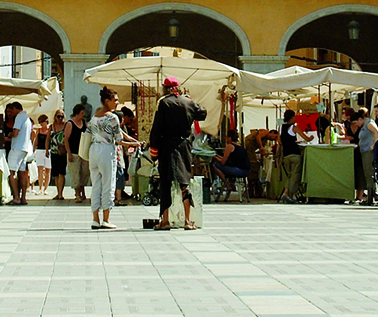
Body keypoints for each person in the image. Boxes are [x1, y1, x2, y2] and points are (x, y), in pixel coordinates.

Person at [148, 76, 206, 230]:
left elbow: (157, 129)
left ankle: (165, 221)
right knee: (184, 183)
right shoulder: (188, 102)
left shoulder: (163, 103)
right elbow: (202, 113)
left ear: (165, 88)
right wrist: (190, 100)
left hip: (167, 146)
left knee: (165, 184)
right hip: (184, 146)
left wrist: (154, 151)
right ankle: (187, 221)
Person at [87, 87, 134, 230]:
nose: (117, 103)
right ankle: (106, 219)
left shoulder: (95, 116)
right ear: (107, 101)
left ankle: (95, 218)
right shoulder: (112, 117)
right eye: (115, 100)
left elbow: (88, 131)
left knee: (96, 185)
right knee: (108, 185)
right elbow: (118, 139)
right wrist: (133, 143)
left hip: (93, 149)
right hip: (107, 150)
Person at [4, 101, 33, 204]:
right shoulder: (28, 119)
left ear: (16, 109)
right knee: (22, 173)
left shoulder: (19, 117)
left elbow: (16, 132)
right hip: (25, 148)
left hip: (16, 148)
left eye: (12, 110)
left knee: (12, 172)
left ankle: (16, 197)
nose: (11, 112)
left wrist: (9, 134)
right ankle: (23, 198)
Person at [212, 132, 253, 198]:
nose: (225, 139)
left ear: (230, 138)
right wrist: (218, 156)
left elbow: (223, 162)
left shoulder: (229, 146)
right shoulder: (239, 146)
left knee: (215, 165)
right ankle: (230, 183)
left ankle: (228, 185)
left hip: (238, 170)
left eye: (227, 137)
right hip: (246, 170)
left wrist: (215, 158)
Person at [353, 109, 378, 203]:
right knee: (366, 174)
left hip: (368, 151)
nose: (356, 124)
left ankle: (371, 196)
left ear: (360, 119)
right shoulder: (364, 125)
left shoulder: (368, 123)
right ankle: (370, 196)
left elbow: (377, 132)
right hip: (363, 151)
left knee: (369, 174)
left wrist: (374, 145)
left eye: (356, 122)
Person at [49, 109, 68, 200]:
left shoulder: (65, 126)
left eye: (61, 116)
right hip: (53, 151)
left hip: (63, 152)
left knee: (61, 172)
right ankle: (58, 192)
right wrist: (46, 149)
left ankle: (61, 193)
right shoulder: (51, 127)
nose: (60, 118)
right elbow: (48, 138)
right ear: (55, 117)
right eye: (58, 116)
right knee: (55, 173)